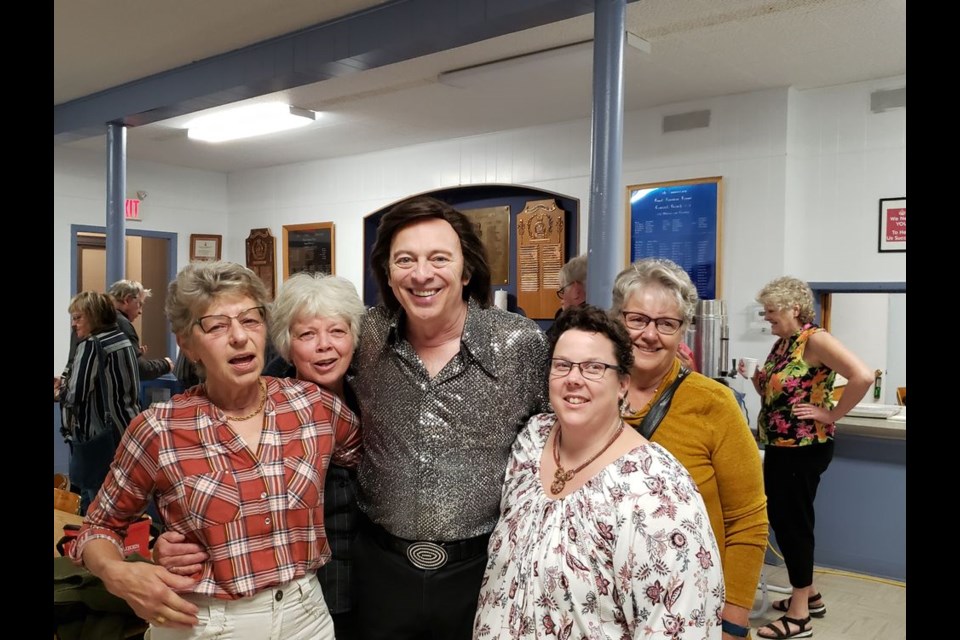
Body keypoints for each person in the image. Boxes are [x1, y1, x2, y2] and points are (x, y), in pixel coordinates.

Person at [68, 261, 362, 640]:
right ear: (187, 343)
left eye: (250, 320)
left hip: (307, 617)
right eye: (217, 325)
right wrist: (118, 573)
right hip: (204, 622)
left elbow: (363, 464)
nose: (239, 337)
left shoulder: (314, 406)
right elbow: (99, 528)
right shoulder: (160, 429)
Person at [349, 195, 550, 639]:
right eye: (405, 259)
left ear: (467, 269)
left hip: (484, 575)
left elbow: (562, 441)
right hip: (380, 573)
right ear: (387, 272)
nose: (422, 274)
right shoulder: (366, 337)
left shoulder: (519, 344)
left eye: (439, 258)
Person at [473, 304, 724, 639]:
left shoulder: (658, 489)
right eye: (562, 365)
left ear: (622, 383)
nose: (574, 379)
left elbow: (677, 622)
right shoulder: (531, 442)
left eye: (594, 367)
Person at [155, 272, 367, 640]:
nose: (324, 346)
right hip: (295, 591)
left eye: (337, 331)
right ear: (284, 343)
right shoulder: (252, 396)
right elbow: (181, 480)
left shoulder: (370, 395)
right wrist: (164, 540)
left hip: (370, 581)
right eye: (306, 335)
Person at [611, 258, 768, 640]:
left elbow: (748, 521)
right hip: (603, 612)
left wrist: (732, 622)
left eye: (667, 324)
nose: (650, 334)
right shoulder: (588, 389)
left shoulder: (713, 403)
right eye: (637, 319)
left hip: (691, 612)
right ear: (616, 318)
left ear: (682, 330)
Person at [748, 276, 872, 640]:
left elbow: (861, 376)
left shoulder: (815, 339)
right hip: (781, 445)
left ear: (794, 308)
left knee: (793, 524)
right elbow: (789, 388)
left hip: (802, 448)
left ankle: (799, 616)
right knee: (787, 520)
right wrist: (760, 384)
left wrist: (830, 414)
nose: (766, 317)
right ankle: (810, 594)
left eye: (772, 311)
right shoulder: (783, 342)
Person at [59, 291, 141, 513]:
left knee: (94, 504)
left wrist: (60, 389)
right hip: (127, 431)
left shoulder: (92, 345)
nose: (74, 325)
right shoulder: (121, 339)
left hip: (97, 437)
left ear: (93, 316)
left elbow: (76, 394)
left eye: (78, 318)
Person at [107, 279, 175, 379]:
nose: (140, 312)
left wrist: (134, 353)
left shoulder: (101, 319)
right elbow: (139, 369)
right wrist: (166, 364)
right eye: (140, 304)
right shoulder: (122, 324)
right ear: (127, 300)